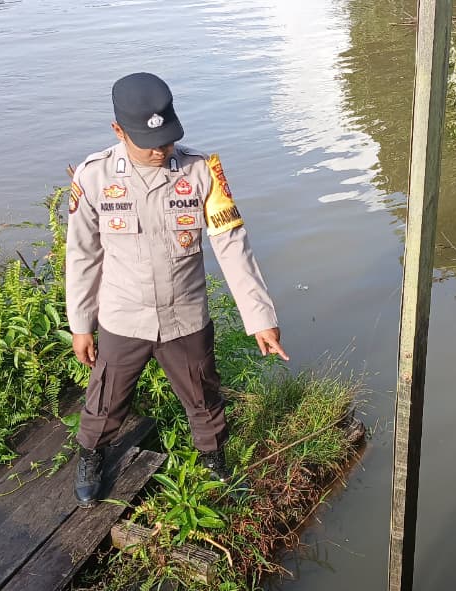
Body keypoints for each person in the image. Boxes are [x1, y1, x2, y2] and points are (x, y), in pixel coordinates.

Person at [65, 72, 288, 507]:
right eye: (149, 142)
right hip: (123, 317)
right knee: (106, 397)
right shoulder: (93, 178)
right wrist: (81, 325)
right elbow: (82, 256)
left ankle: (213, 459)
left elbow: (233, 247)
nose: (160, 149)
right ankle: (91, 455)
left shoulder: (202, 172)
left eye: (167, 139)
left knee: (203, 395)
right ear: (118, 131)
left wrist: (260, 318)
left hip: (185, 316)